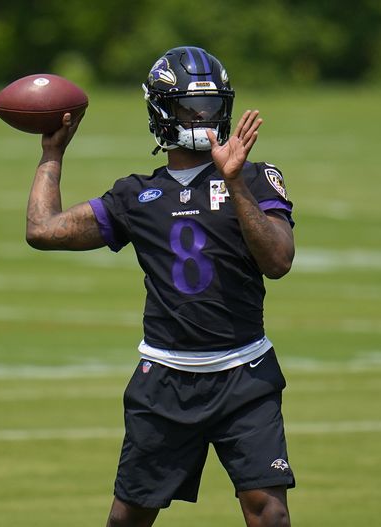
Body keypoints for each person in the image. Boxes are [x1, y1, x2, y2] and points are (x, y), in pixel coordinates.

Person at [25, 46, 295, 527]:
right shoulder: (136, 195)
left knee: (269, 514)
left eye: (212, 107)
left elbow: (278, 260)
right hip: (166, 380)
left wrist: (233, 183)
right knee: (127, 519)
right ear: (162, 112)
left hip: (244, 375)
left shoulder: (256, 177)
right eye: (191, 107)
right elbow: (42, 231)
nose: (204, 117)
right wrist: (52, 155)